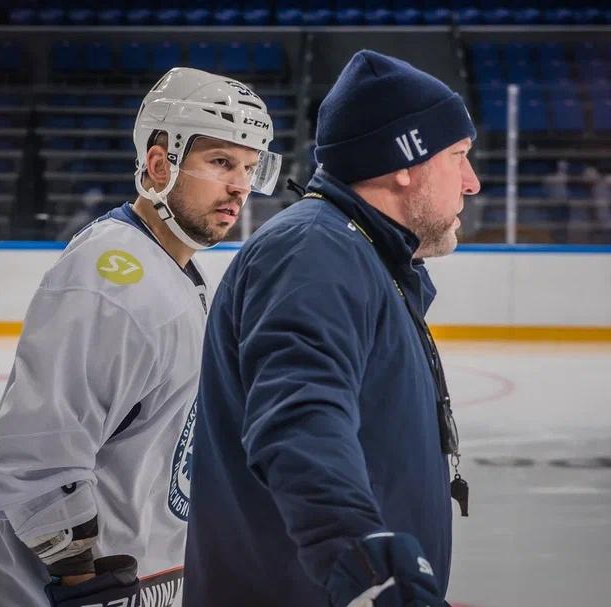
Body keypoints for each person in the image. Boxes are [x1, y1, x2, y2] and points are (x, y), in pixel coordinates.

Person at [0, 67, 280, 607]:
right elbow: (39, 449)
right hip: (48, 584)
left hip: (129, 572)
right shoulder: (111, 278)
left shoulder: (173, 268)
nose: (241, 185)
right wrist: (81, 576)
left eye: (249, 166)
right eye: (221, 162)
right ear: (158, 164)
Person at [184, 50, 480, 607]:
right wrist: (370, 569)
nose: (472, 183)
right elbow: (299, 419)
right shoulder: (315, 253)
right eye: (459, 156)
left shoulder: (360, 254)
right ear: (405, 160)